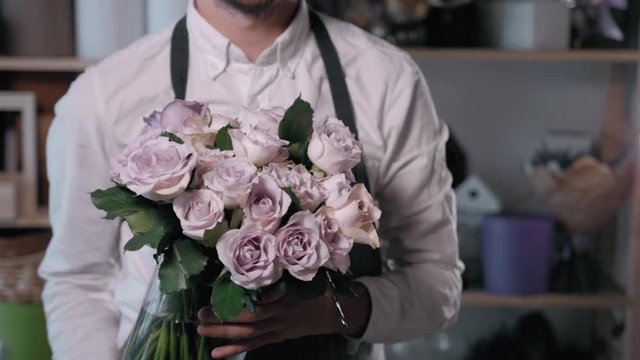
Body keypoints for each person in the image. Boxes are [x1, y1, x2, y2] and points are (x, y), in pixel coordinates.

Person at [39, 0, 464, 359]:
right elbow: (79, 281)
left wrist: (324, 311)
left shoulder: (386, 79)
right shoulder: (102, 94)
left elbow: (436, 282)